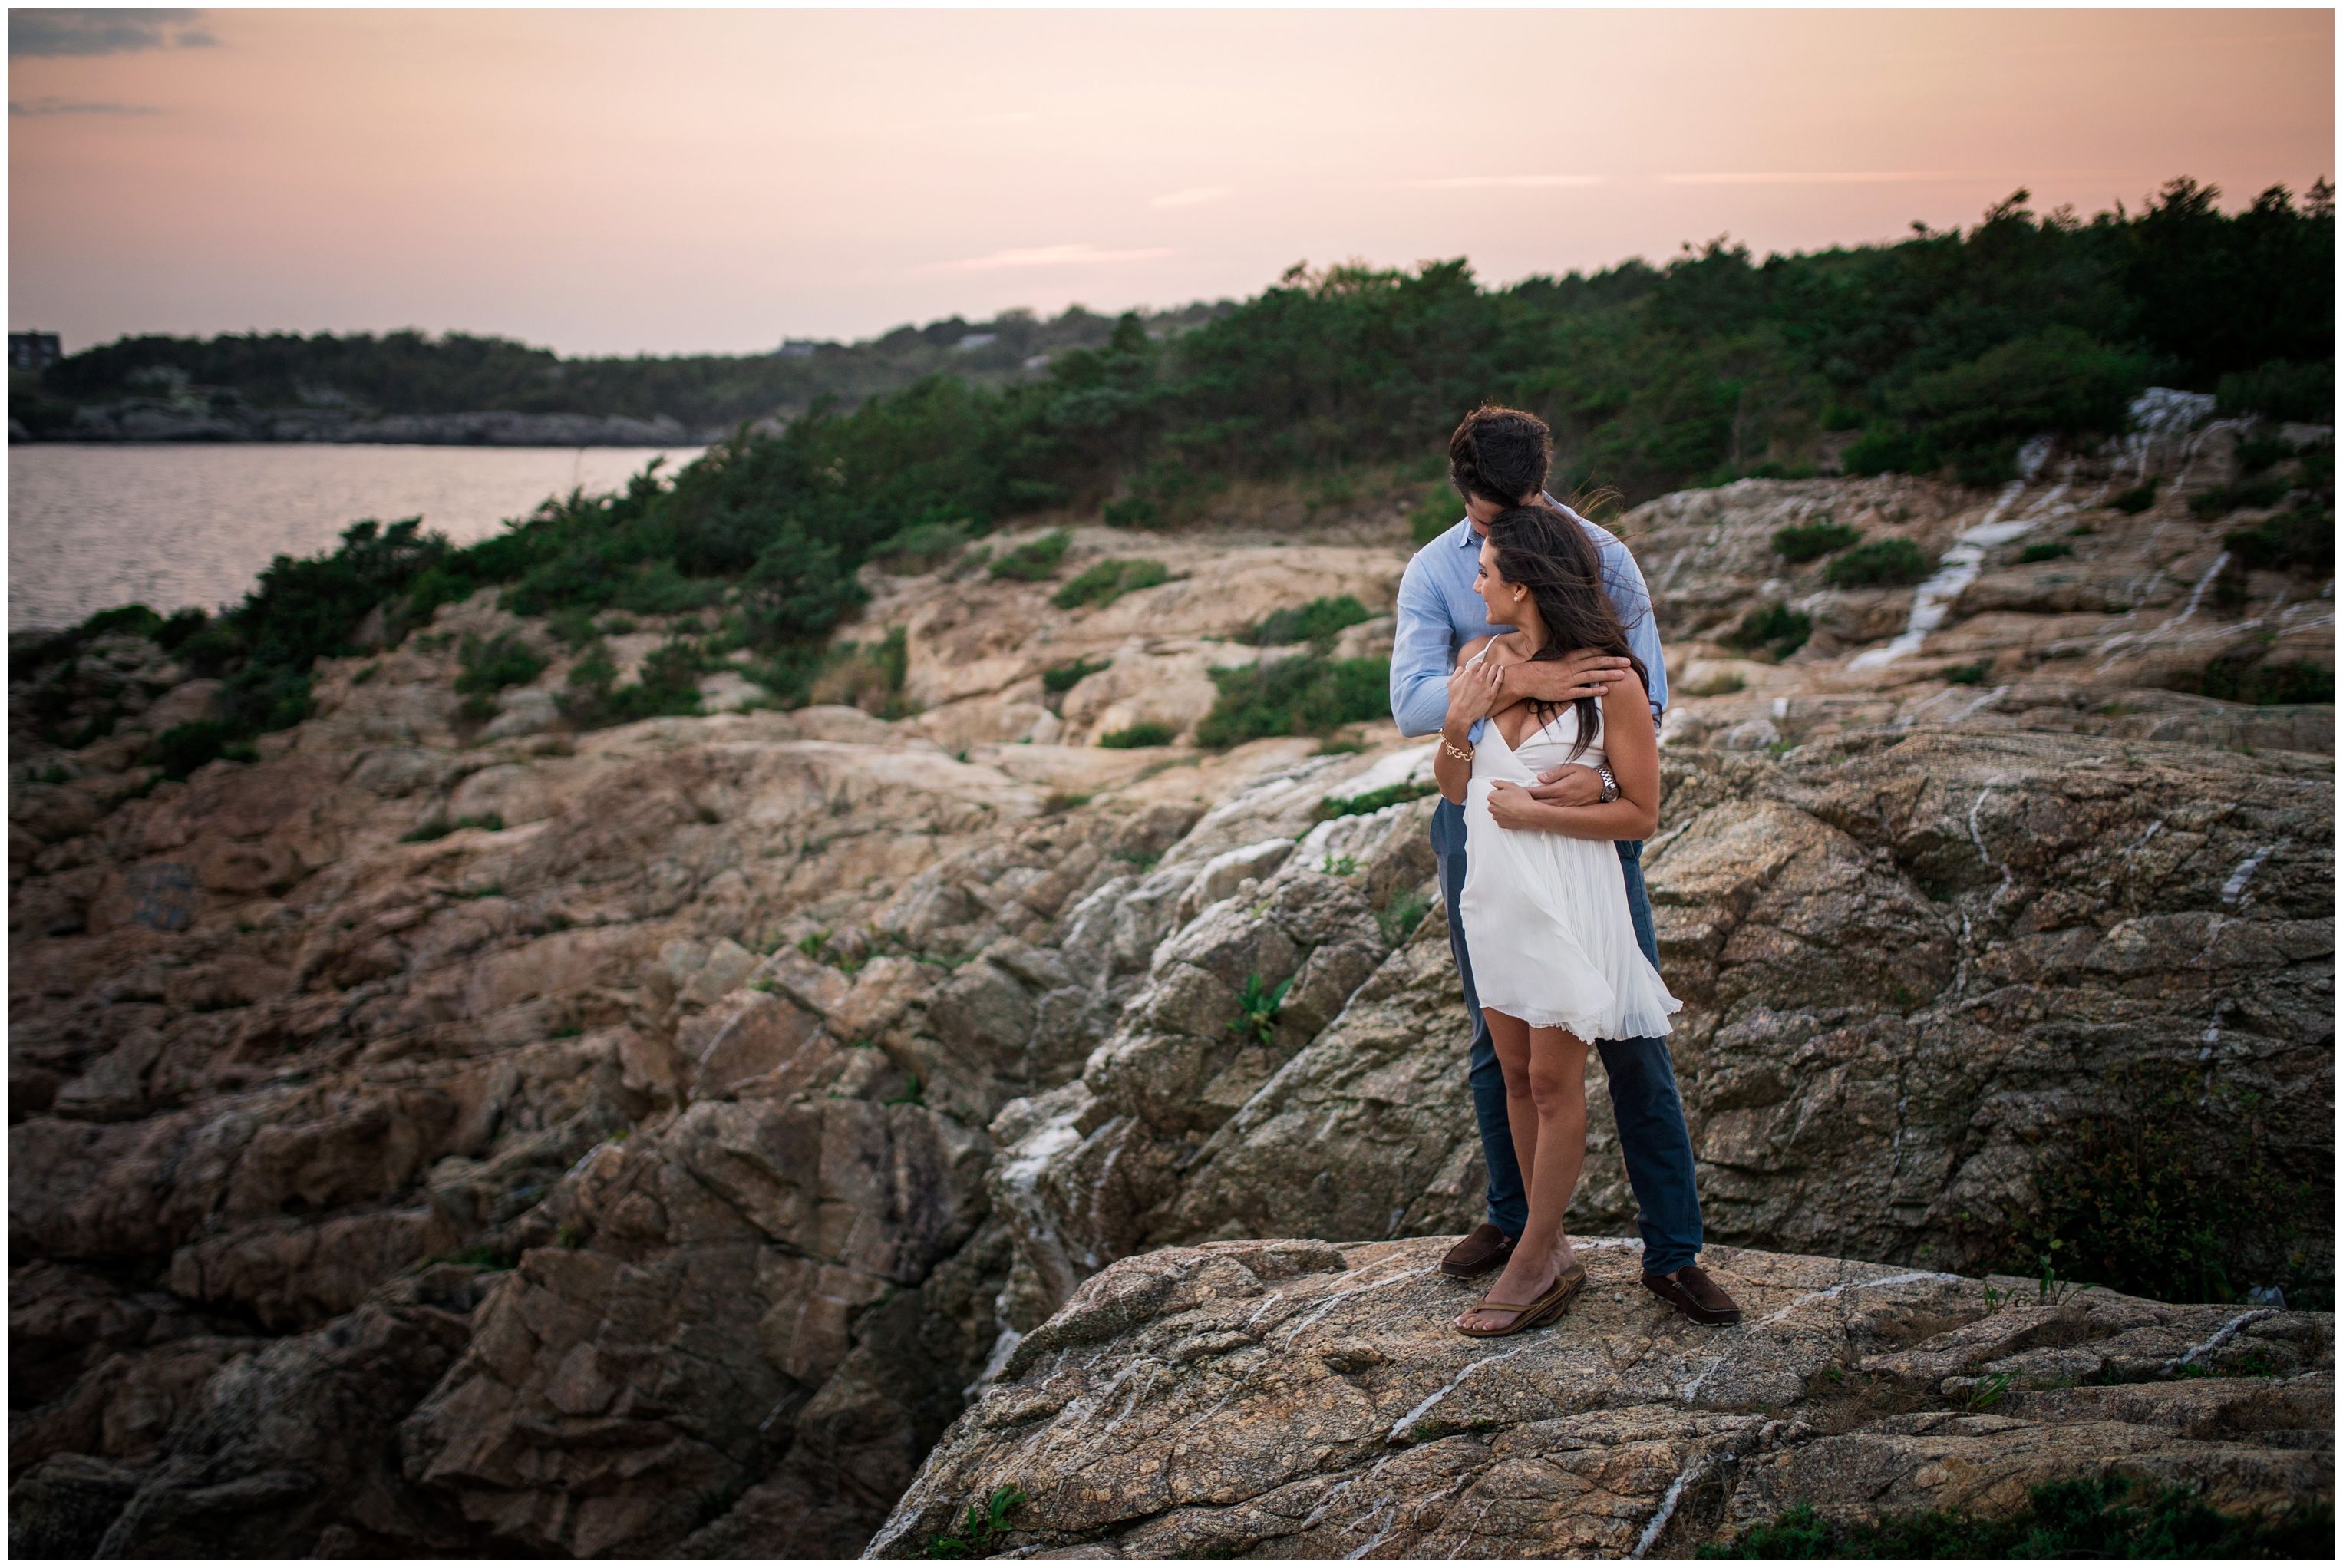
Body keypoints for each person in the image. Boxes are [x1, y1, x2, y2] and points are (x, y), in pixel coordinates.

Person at [1390, 404, 1742, 1330]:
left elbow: (1643, 689)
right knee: (1494, 1038)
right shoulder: (1438, 573)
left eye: (1521, 511)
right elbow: (1410, 703)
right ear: (1462, 491)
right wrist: (1516, 678)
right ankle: (1521, 1229)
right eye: (1484, 521)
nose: (1497, 535)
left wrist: (1591, 777)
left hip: (1577, 823)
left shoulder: (1599, 555)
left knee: (1627, 1039)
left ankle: (1671, 1254)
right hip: (1480, 828)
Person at [1431, 505, 1683, 1332]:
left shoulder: (1612, 680)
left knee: (1551, 1078)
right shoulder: (1479, 660)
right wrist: (1454, 723)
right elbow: (1454, 786)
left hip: (1568, 895)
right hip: (1496, 897)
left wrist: (1552, 811)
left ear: (1524, 584)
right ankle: (1553, 1247)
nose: (1475, 583)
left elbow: (1641, 815)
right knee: (1511, 1075)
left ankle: (1535, 1256)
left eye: (1487, 572)